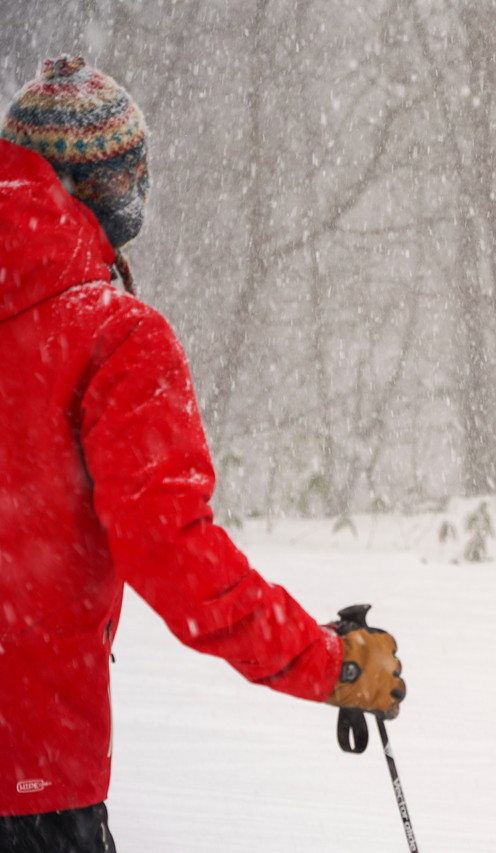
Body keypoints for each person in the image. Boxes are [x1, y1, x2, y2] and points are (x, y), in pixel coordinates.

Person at [0, 56, 406, 852]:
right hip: (32, 777)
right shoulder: (114, 337)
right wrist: (328, 662)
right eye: (132, 172)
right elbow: (173, 552)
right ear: (95, 184)